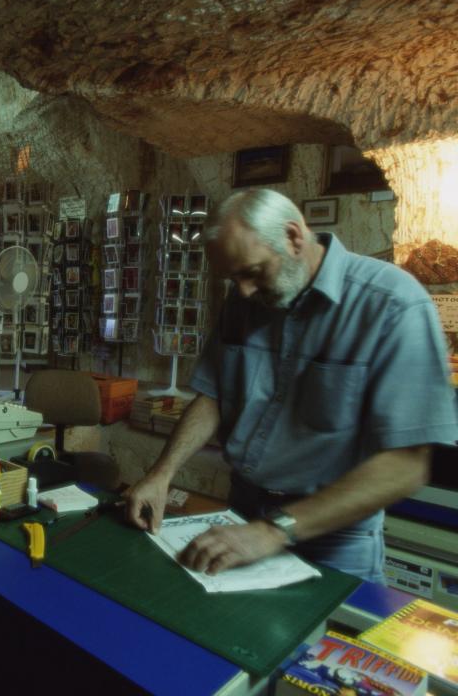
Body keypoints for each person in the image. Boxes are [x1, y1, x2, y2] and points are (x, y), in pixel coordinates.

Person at [125, 188, 458, 582]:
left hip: (334, 536)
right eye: (233, 278)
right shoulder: (246, 298)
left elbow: (407, 464)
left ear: (294, 237)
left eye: (251, 272)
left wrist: (274, 530)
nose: (243, 291)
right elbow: (213, 395)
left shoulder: (392, 304)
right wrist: (162, 473)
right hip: (244, 513)